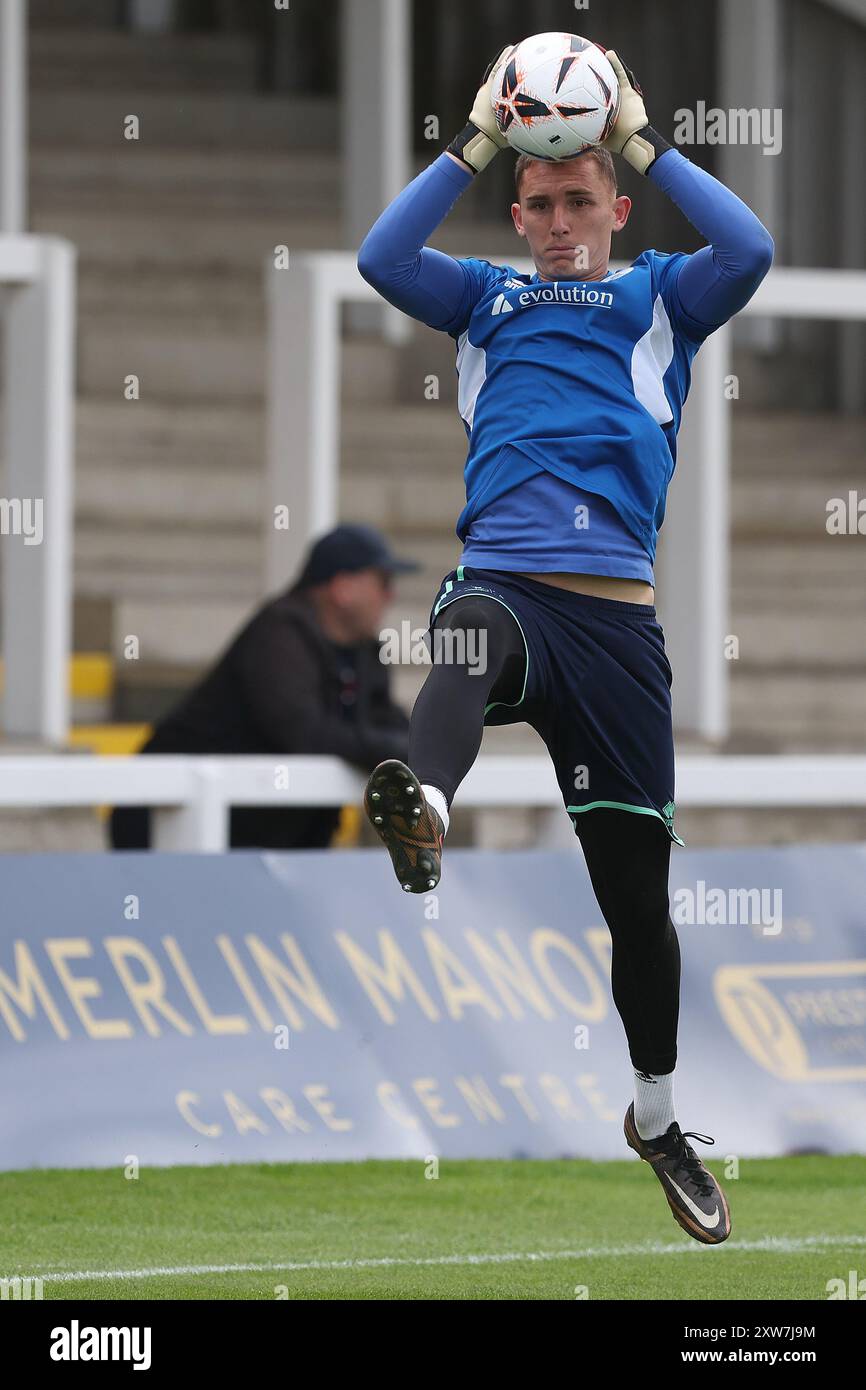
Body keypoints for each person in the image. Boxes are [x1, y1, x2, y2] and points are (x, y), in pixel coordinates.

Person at [356, 43, 775, 1244]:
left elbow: (746, 250)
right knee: (466, 632)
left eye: (576, 201)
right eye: (536, 205)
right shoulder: (484, 298)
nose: (553, 224)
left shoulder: (658, 296)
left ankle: (654, 1114)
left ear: (615, 208)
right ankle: (424, 804)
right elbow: (382, 257)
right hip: (509, 592)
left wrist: (640, 135)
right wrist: (476, 141)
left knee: (636, 909)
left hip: (617, 634)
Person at [108, 524, 417, 850]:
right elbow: (305, 734)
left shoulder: (363, 651)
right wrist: (394, 752)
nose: (390, 595)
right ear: (342, 588)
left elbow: (391, 727)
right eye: (382, 582)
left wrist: (411, 749)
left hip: (263, 841)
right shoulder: (279, 635)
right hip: (167, 827)